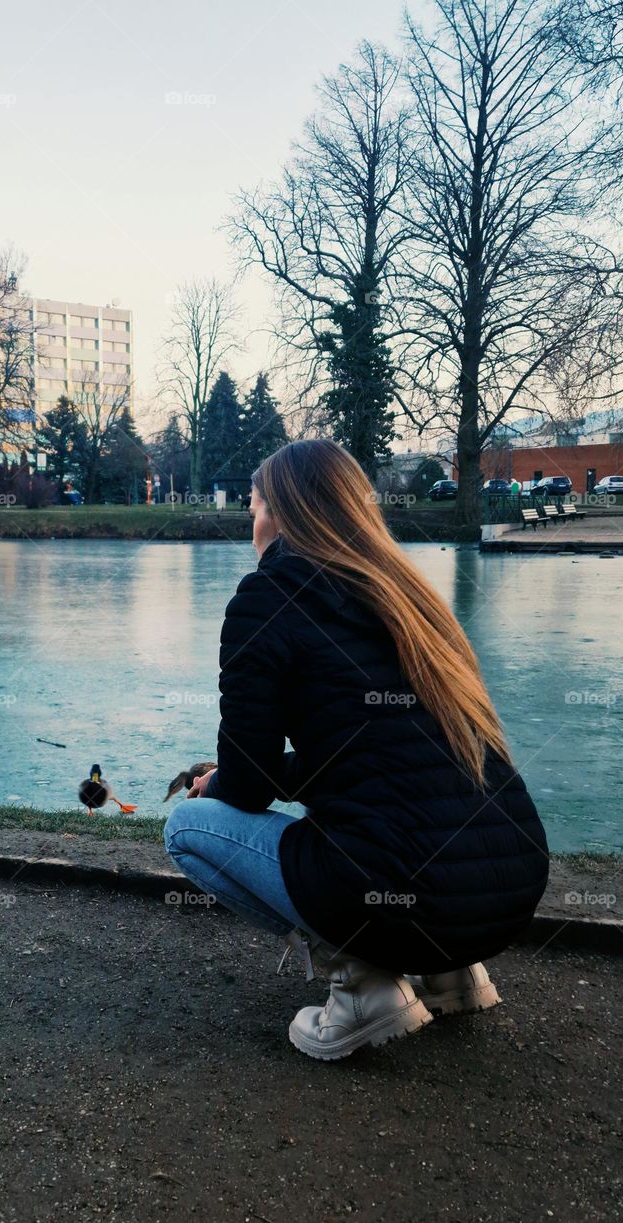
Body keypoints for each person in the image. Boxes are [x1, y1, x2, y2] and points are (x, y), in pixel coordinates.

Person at [164, 439, 549, 1062]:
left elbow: (251, 782)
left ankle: (365, 987)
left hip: (404, 892)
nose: (252, 524)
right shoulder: (409, 594)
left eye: (256, 508)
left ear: (284, 515)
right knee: (401, 802)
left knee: (186, 826)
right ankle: (452, 976)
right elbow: (373, 755)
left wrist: (218, 782)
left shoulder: (265, 598)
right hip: (510, 890)